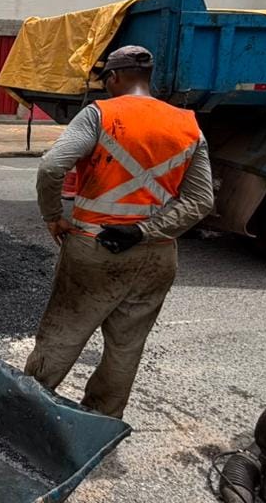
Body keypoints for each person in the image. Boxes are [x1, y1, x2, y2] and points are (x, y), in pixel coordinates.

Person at [24, 46, 214, 418]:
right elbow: (201, 199)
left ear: (114, 77)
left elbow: (51, 167)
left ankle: (27, 408)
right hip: (156, 254)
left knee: (63, 331)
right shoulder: (188, 124)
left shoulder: (100, 114)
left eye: (106, 79)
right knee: (126, 345)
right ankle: (101, 421)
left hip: (95, 248)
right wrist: (145, 230)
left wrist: (52, 215)